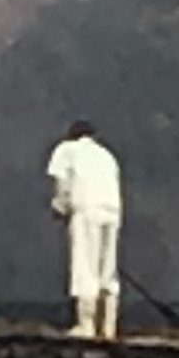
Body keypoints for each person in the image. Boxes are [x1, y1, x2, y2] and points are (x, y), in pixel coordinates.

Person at [45, 119, 124, 340]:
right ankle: (109, 327)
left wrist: (60, 205)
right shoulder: (107, 155)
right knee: (108, 268)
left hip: (86, 209)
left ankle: (86, 325)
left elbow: (61, 184)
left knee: (85, 264)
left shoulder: (66, 150)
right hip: (112, 210)